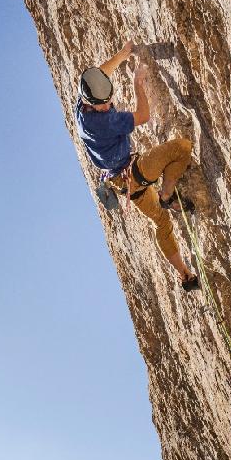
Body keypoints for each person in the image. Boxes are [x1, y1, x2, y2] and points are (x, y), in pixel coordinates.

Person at [75, 42, 198, 291]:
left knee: (162, 222)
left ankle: (185, 276)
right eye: (103, 105)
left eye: (108, 101)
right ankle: (166, 194)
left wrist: (122, 54)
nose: (108, 106)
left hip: (125, 184)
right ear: (93, 104)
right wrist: (138, 85)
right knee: (182, 148)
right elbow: (143, 116)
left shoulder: (83, 105)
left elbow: (100, 72)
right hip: (134, 172)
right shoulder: (106, 121)